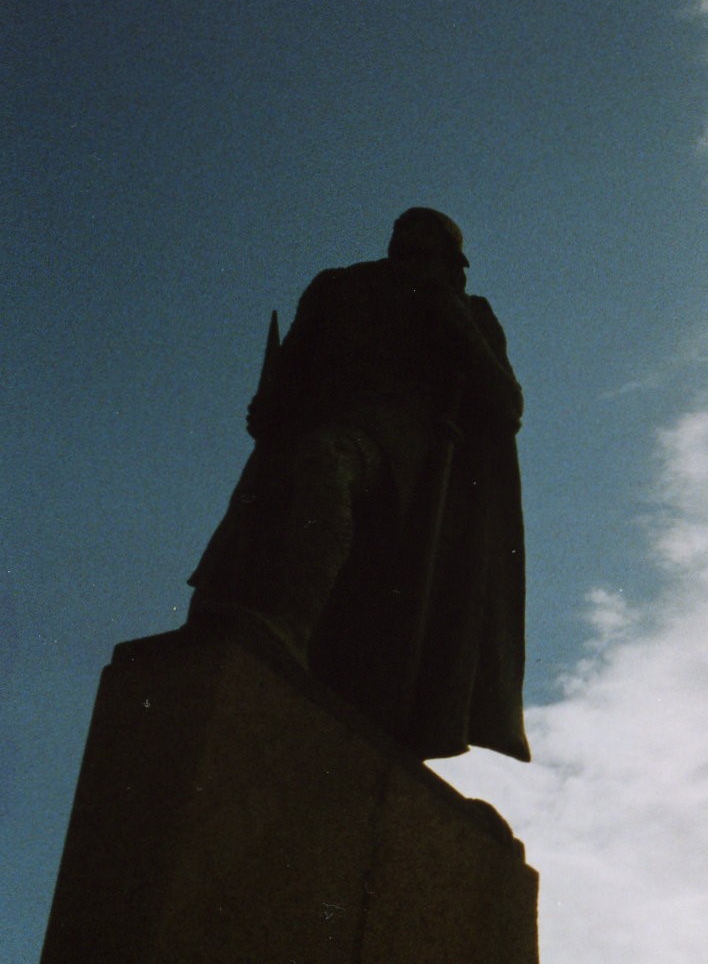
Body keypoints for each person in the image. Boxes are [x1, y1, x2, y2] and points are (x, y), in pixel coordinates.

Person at [190, 208, 530, 762]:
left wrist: (458, 325)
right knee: (293, 488)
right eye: (404, 239)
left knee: (328, 461)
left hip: (407, 453)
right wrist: (269, 407)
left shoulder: (469, 311)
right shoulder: (339, 287)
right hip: (316, 430)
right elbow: (293, 370)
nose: (410, 251)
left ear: (449, 259)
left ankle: (292, 629)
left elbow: (506, 404)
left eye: (426, 246)